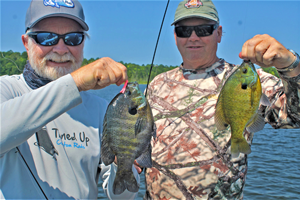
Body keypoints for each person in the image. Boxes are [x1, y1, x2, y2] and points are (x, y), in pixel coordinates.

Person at [144, 0, 300, 199]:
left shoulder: (250, 80)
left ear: (218, 33)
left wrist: (291, 65)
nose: (193, 37)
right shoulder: (156, 84)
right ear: (175, 36)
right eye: (184, 30)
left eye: (203, 30)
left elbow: (295, 116)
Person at [0, 0, 141, 199]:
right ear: (26, 43)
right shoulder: (6, 90)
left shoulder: (102, 110)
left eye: (73, 38)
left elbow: (122, 197)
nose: (60, 48)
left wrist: (122, 163)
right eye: (46, 38)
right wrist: (75, 82)